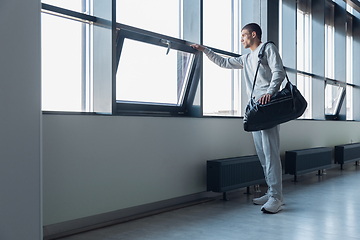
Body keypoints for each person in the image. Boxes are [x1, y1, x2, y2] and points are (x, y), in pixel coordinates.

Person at [191, 23, 285, 213]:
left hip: (268, 108)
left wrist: (270, 92)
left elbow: (279, 72)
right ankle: (271, 191)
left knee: (270, 153)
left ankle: (277, 197)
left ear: (253, 34)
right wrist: (205, 50)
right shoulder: (247, 57)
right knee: (262, 154)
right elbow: (224, 63)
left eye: (243, 35)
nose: (241, 39)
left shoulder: (268, 48)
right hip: (255, 110)